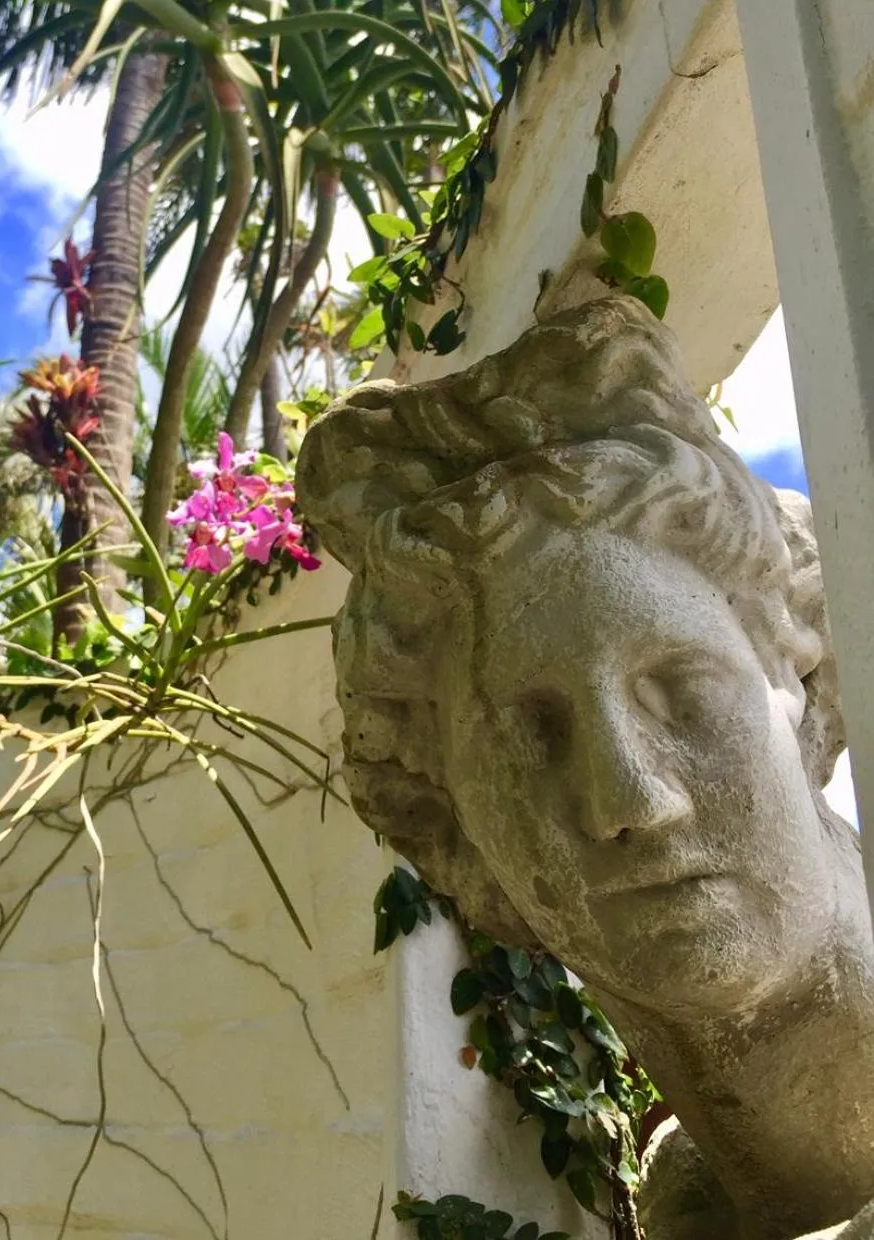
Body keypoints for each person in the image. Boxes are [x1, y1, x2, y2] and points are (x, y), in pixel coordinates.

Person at [296, 297, 874, 1240]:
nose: (629, 800)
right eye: (532, 733)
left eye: (684, 691)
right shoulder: (689, 1199)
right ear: (450, 833)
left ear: (802, 682)